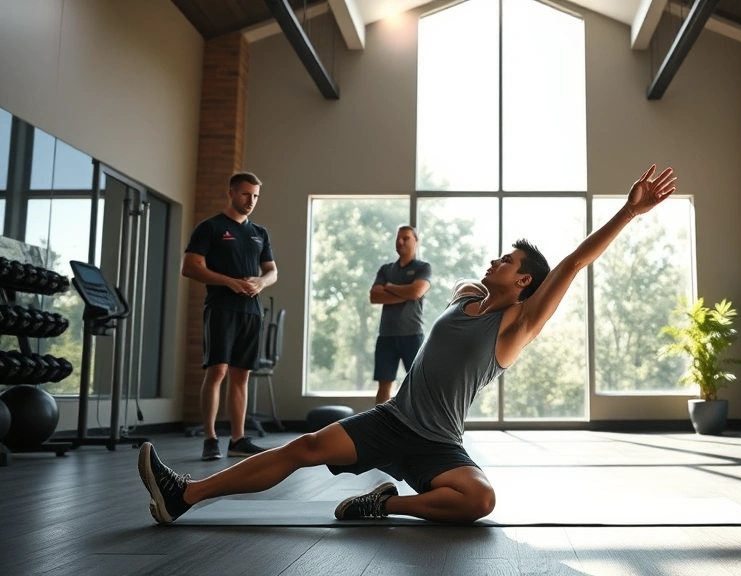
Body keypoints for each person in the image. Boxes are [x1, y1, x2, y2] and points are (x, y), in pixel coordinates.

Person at [139, 164, 676, 525]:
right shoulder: (467, 298)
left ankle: (390, 503)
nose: (495, 262)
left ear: (525, 283)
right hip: (390, 421)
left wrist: (629, 211)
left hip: (437, 444)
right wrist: (469, 288)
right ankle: (183, 495)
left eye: (506, 262)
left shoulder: (517, 325)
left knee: (480, 498)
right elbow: (447, 289)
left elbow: (574, 263)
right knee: (301, 448)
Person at [181, 171, 278, 461]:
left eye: (256, 196)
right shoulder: (210, 228)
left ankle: (237, 440)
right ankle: (210, 439)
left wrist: (261, 282)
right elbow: (190, 267)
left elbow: (272, 271)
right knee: (218, 371)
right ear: (232, 193)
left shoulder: (260, 233)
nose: (251, 201)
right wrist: (230, 281)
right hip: (221, 308)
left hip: (251, 311)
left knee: (241, 376)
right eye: (246, 194)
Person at [370, 225, 432, 404]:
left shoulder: (423, 268)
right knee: (384, 386)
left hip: (412, 335)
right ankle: (380, 427)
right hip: (386, 336)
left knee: (418, 385)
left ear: (416, 241)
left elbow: (417, 292)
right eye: (398, 238)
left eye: (406, 238)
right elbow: (374, 296)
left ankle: (421, 429)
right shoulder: (386, 269)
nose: (400, 242)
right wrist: (406, 294)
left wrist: (390, 287)